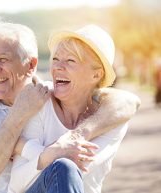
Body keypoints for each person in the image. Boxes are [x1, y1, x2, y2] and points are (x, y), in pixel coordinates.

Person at [0, 18, 140, 193]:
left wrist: (73, 137)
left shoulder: (48, 98)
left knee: (64, 167)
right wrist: (18, 115)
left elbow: (129, 101)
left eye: (3, 59)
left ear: (31, 65)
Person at [8, 25, 140, 193]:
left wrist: (27, 148)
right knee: (62, 167)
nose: (57, 67)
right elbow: (17, 184)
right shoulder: (41, 103)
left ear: (96, 75)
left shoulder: (112, 119)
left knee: (65, 168)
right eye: (55, 59)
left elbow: (80, 168)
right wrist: (53, 152)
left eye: (70, 60)